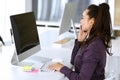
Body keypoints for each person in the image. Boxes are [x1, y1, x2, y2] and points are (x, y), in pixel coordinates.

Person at [49, 3, 112, 80]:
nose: (80, 21)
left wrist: (62, 68)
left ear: (91, 22)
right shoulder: (92, 40)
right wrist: (79, 42)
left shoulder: (94, 47)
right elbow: (73, 62)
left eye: (83, 18)